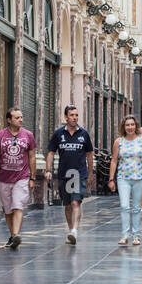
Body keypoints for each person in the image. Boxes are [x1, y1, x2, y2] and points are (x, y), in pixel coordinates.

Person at [46, 105, 95, 245]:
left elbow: (89, 155)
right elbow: (50, 152)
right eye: (72, 115)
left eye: (76, 115)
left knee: (76, 202)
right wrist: (48, 170)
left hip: (79, 173)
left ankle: (74, 230)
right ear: (66, 117)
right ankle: (70, 229)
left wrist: (90, 174)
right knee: (67, 204)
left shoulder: (84, 134)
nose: (75, 117)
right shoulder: (58, 134)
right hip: (64, 173)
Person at [0, 107, 36, 250]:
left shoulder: (28, 135)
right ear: (9, 120)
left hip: (21, 177)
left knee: (18, 205)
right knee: (8, 211)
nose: (21, 120)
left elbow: (32, 157)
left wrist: (32, 177)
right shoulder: (0, 135)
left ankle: (16, 234)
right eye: (17, 118)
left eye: (21, 117)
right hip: (4, 178)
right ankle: (12, 235)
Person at [108, 115, 142, 245]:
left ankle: (136, 235)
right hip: (123, 177)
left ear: (136, 126)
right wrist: (111, 179)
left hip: (139, 177)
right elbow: (114, 160)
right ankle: (124, 235)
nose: (130, 127)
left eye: (132, 125)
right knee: (124, 206)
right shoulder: (119, 141)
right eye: (127, 125)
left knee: (137, 207)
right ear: (124, 127)